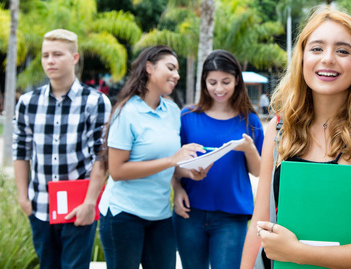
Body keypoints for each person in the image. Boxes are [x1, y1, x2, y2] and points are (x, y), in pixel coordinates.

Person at [240, 7, 351, 269]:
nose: (328, 59)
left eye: (342, 51)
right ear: (302, 59)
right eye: (317, 49)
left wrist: (297, 252)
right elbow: (259, 223)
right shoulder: (280, 128)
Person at [98, 45, 208, 269]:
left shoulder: (173, 111)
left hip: (159, 215)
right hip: (123, 214)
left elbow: (170, 163)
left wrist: (190, 172)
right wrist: (171, 161)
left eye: (178, 71)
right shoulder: (126, 112)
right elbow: (117, 172)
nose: (176, 75)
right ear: (149, 68)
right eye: (171, 68)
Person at [12, 29, 111, 269]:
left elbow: (101, 156)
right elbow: (21, 151)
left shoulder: (95, 101)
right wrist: (23, 197)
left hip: (79, 207)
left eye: (57, 54)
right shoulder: (27, 103)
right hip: (40, 207)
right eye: (46, 55)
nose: (50, 61)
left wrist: (90, 203)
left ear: (75, 58)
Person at [172, 49, 264, 269]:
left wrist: (249, 148)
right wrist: (177, 189)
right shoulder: (187, 116)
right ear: (204, 82)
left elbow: (258, 171)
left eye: (226, 81)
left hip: (231, 216)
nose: (219, 89)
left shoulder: (249, 120)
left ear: (236, 81)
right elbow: (174, 163)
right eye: (212, 82)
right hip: (189, 213)